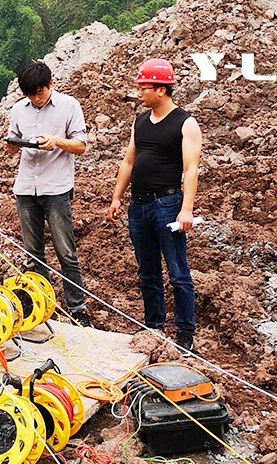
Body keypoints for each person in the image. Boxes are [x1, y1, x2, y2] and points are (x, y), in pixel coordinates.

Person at [107, 58, 202, 354]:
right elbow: (128, 160)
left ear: (161, 89)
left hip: (168, 203)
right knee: (147, 271)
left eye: (143, 87)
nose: (139, 92)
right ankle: (154, 327)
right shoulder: (140, 122)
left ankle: (185, 333)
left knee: (177, 272)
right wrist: (116, 197)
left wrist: (186, 209)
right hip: (140, 205)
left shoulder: (185, 124)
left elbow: (191, 169)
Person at [3, 61, 93, 328]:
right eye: (30, 94)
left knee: (66, 252)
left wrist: (56, 142)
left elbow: (81, 145)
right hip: (25, 189)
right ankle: (42, 308)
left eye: (39, 93)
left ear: (50, 85)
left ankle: (78, 309)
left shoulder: (69, 106)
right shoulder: (19, 109)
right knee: (33, 254)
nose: (35, 98)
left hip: (56, 188)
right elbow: (11, 145)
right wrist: (12, 145)